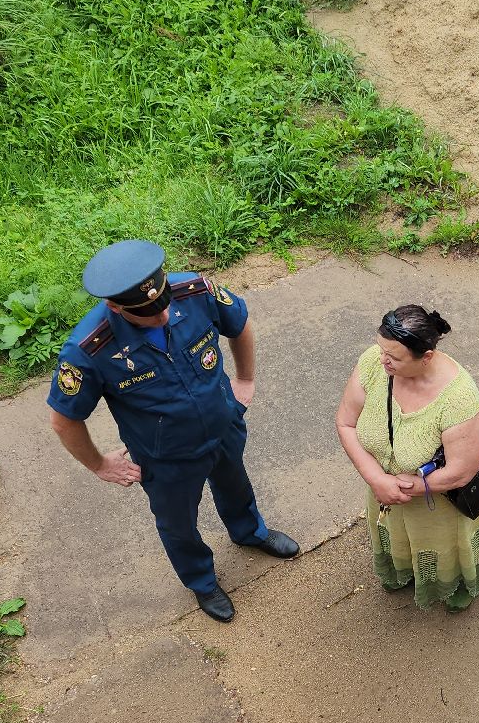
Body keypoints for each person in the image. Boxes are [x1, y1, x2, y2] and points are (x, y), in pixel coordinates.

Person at [48, 239, 300, 623]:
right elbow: (64, 419)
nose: (163, 314)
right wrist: (99, 464)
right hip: (165, 457)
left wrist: (245, 380)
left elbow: (239, 323)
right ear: (116, 306)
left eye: (163, 301)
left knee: (236, 484)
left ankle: (250, 531)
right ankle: (202, 581)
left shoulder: (194, 290)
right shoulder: (89, 350)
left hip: (223, 425)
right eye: (148, 313)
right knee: (178, 523)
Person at [335, 306, 479, 611]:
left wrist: (413, 488)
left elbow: (463, 471)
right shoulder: (374, 363)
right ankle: (403, 572)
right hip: (385, 491)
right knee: (396, 537)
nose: (382, 359)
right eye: (381, 348)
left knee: (443, 549)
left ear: (426, 357)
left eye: (393, 357)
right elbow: (346, 423)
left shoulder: (458, 398)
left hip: (437, 501)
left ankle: (455, 585)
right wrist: (377, 480)